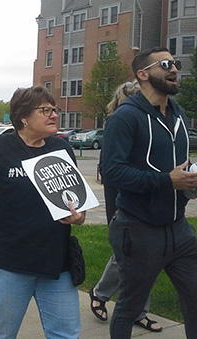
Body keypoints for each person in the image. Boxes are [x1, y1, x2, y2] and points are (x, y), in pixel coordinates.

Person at [0, 86, 86, 338]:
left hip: (57, 262)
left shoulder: (62, 149)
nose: (54, 115)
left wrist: (79, 217)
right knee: (2, 332)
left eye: (54, 110)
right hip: (10, 262)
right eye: (45, 110)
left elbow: (78, 205)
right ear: (23, 117)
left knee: (66, 333)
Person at [101, 47, 197, 339]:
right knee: (129, 307)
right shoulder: (126, 117)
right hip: (138, 228)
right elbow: (112, 172)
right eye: (166, 64)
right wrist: (167, 181)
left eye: (175, 64)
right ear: (143, 74)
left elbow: (177, 166)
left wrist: (190, 179)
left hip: (178, 229)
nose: (174, 69)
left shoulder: (178, 116)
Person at [89, 81, 162, 332]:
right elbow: (114, 173)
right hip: (123, 202)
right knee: (127, 255)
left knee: (148, 257)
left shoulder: (151, 124)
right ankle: (101, 293)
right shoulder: (118, 125)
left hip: (150, 201)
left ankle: (137, 310)